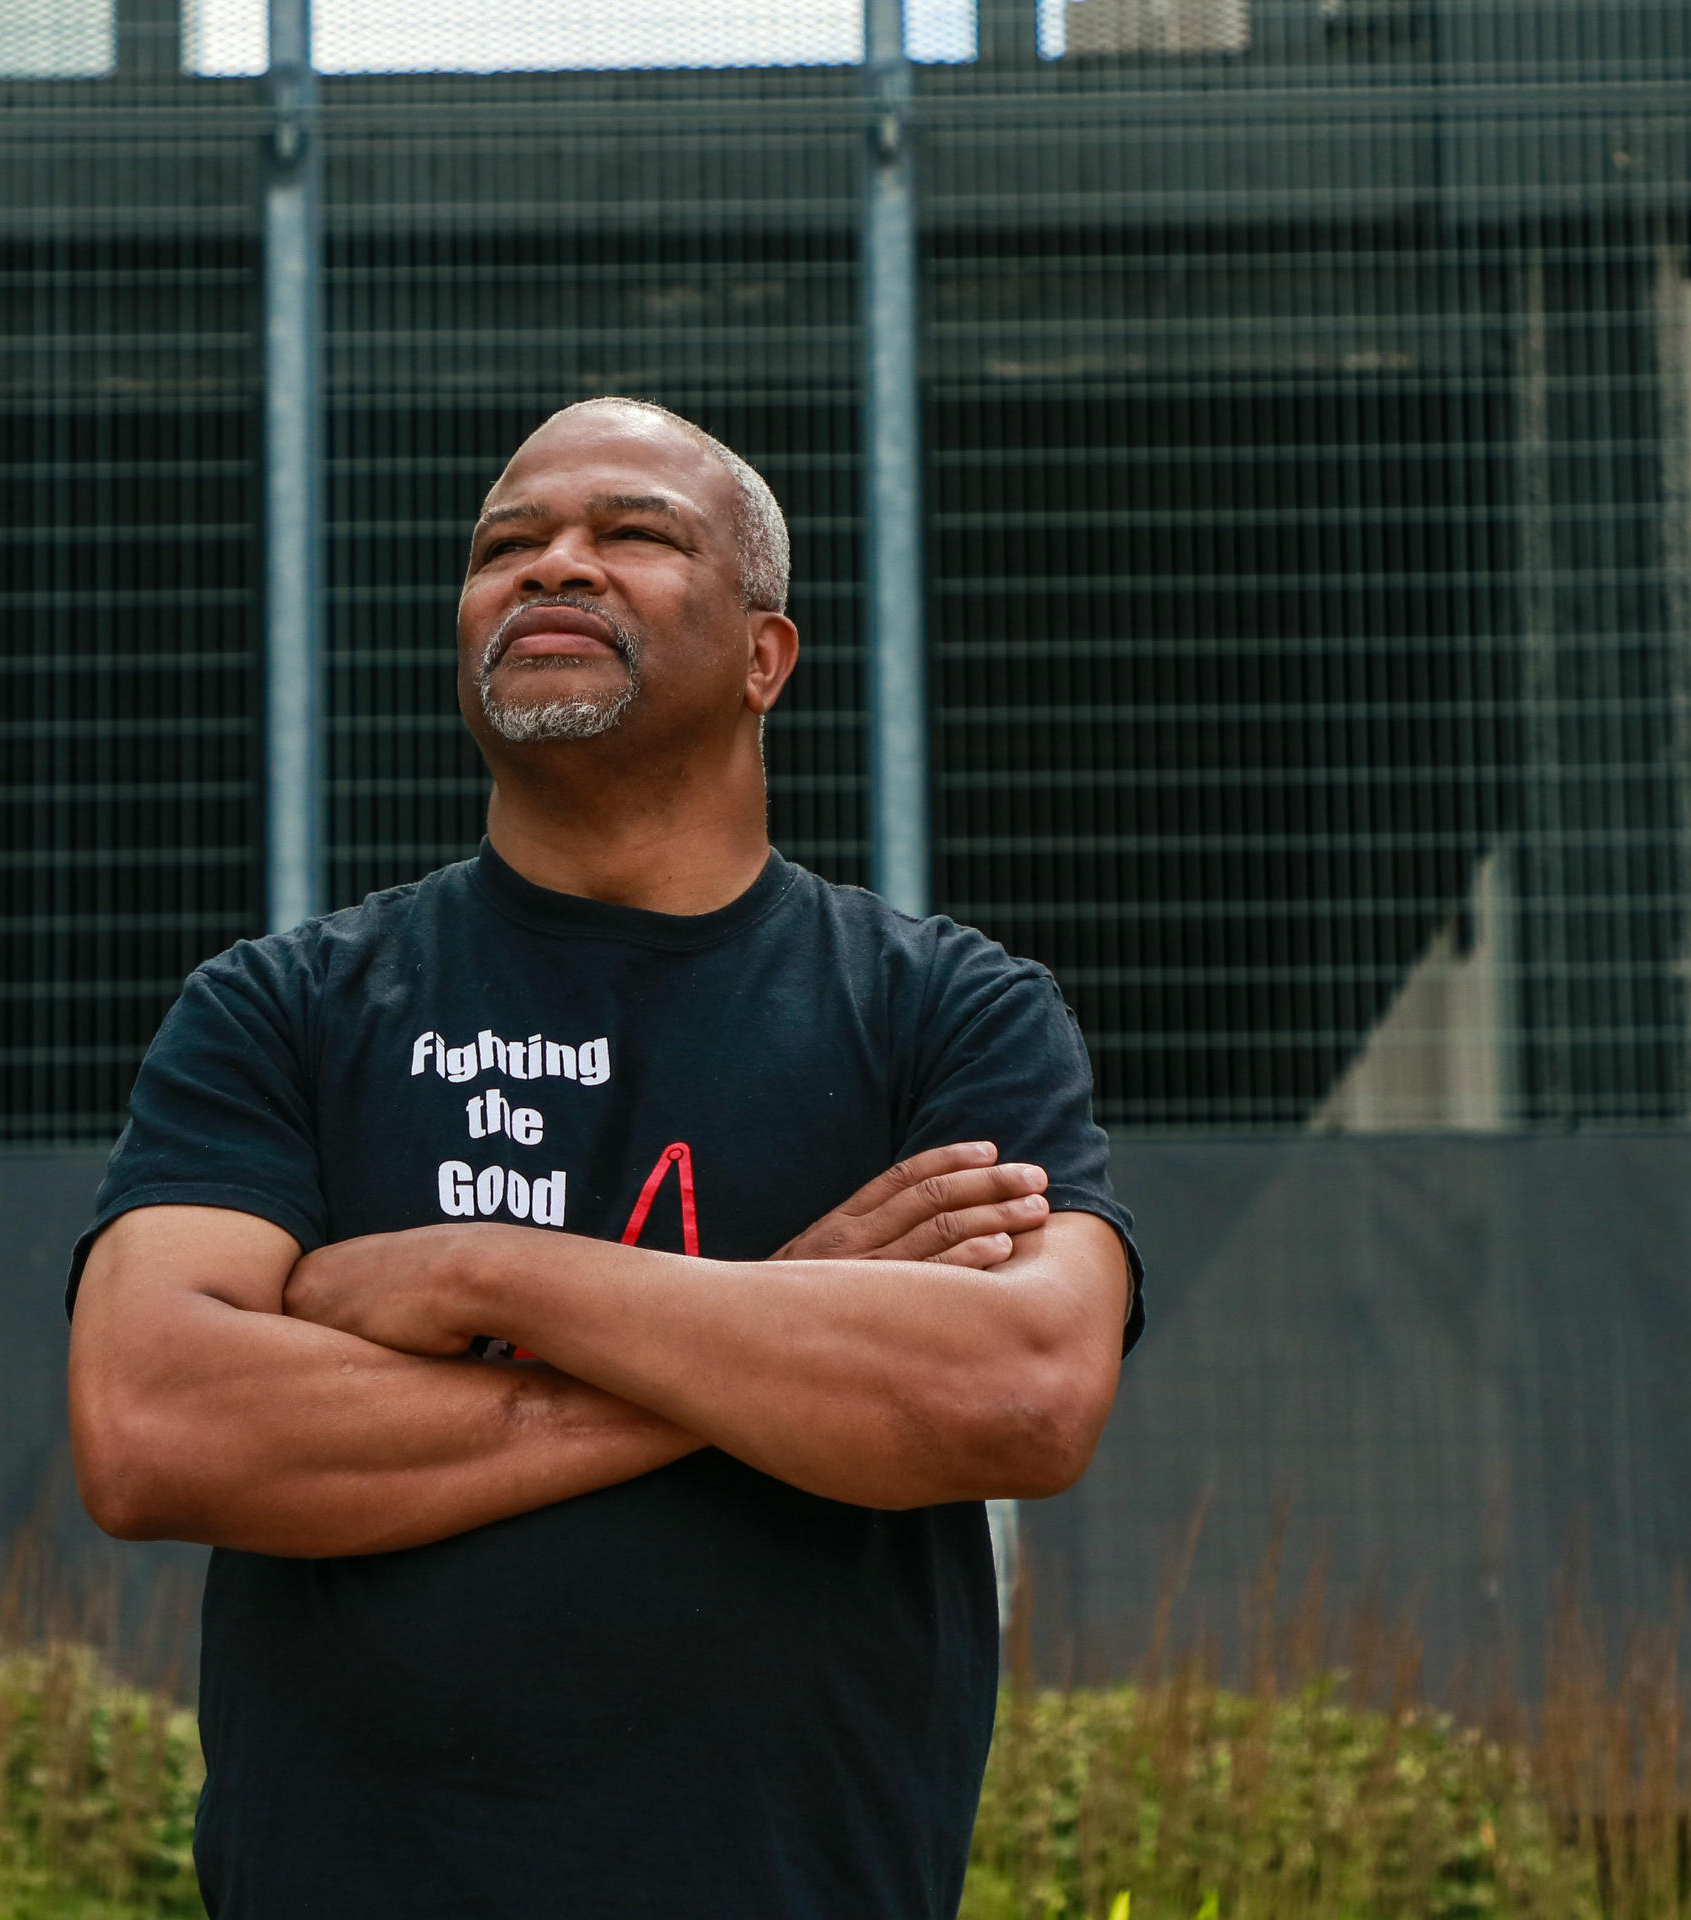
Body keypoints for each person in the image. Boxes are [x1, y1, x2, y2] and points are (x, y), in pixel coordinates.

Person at [66, 397, 1140, 1918]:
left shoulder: (946, 1011)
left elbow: (1020, 1394)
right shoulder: (285, 1008)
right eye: (508, 545)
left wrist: (476, 1268)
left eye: (630, 534)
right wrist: (776, 1319)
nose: (552, 565)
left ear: (767, 655)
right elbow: (153, 1423)